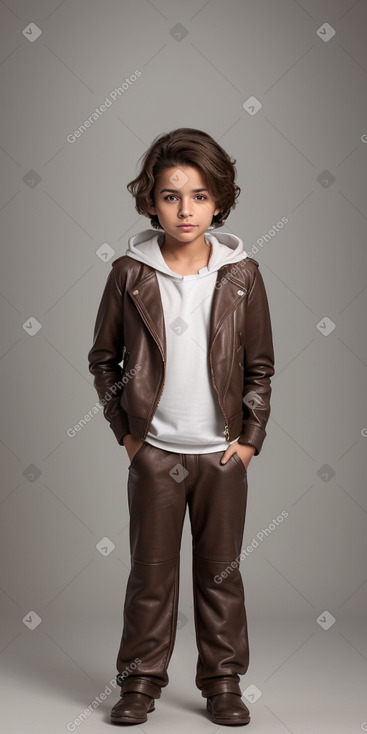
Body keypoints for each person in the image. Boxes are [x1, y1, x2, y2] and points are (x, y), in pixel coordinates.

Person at [87, 128, 275, 726]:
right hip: (156, 454)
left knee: (221, 577)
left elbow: (259, 367)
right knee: (150, 577)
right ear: (150, 201)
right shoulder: (128, 273)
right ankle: (139, 682)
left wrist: (249, 441)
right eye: (171, 196)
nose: (185, 209)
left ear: (220, 200)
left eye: (199, 195)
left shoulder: (242, 274)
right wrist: (130, 438)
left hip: (222, 456)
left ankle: (223, 683)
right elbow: (103, 361)